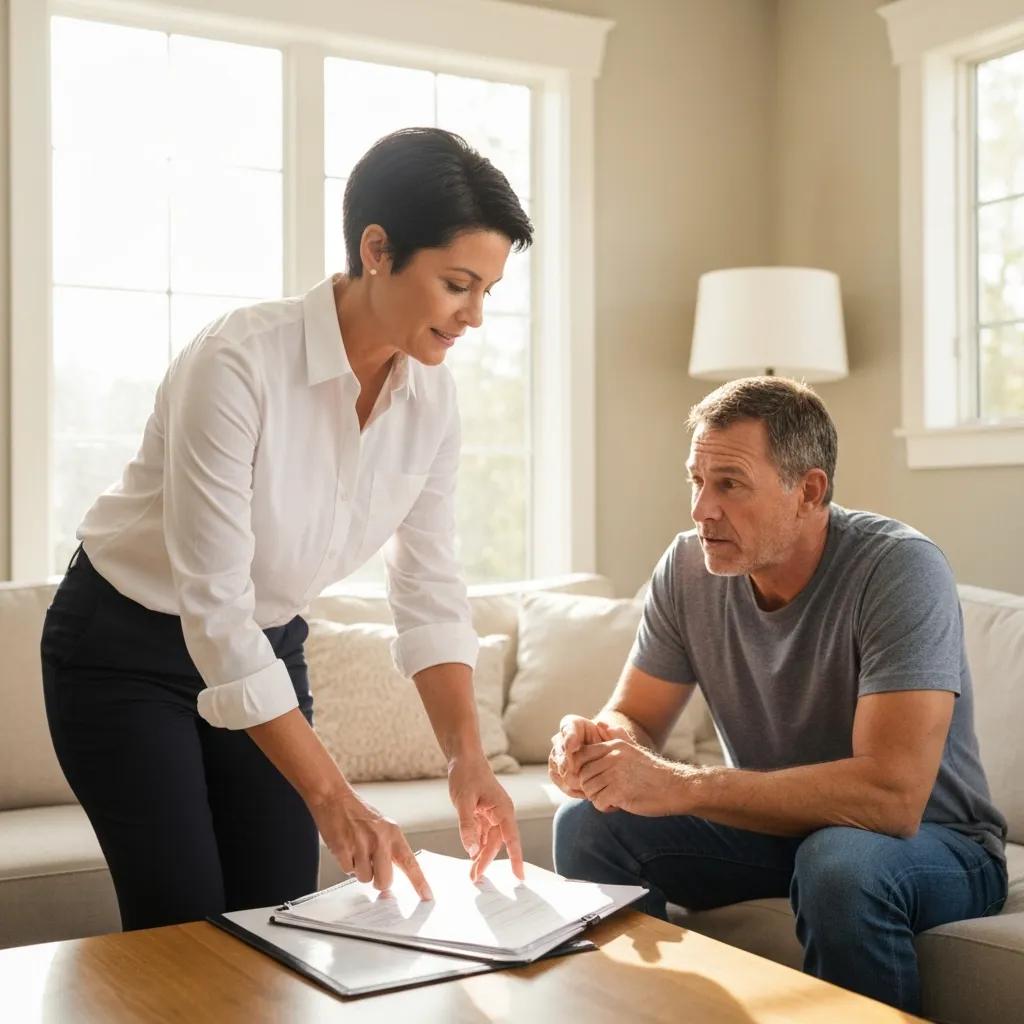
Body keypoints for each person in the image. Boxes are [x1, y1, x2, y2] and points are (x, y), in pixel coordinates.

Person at [41, 127, 532, 931]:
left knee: (279, 917)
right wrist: (337, 796)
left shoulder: (432, 399)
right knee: (184, 929)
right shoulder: (237, 363)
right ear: (377, 249)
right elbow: (216, 610)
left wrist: (467, 759)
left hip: (266, 644)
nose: (474, 316)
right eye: (457, 285)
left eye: (488, 291)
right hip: (124, 652)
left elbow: (429, 588)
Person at [548, 376, 1007, 1015]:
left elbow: (892, 797)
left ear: (808, 491)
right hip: (781, 831)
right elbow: (635, 715)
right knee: (588, 825)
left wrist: (680, 785)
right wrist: (600, 747)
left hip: (934, 844)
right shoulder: (687, 569)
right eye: (696, 480)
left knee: (838, 864)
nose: (701, 509)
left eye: (729, 484)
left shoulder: (899, 570)